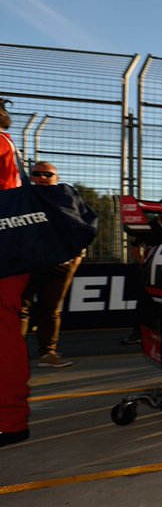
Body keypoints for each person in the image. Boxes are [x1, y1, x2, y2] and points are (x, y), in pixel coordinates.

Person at [20, 162, 84, 368]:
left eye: (48, 174)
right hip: (27, 262)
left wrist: (78, 255)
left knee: (50, 309)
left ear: (56, 177)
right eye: (37, 174)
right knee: (21, 308)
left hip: (60, 264)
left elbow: (84, 226)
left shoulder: (68, 198)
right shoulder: (21, 197)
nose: (42, 177)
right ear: (31, 177)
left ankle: (48, 353)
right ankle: (13, 355)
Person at [0, 99, 31, 447]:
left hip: (5, 255)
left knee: (4, 336)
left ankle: (9, 420)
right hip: (11, 252)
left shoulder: (1, 144)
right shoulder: (6, 142)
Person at [121, 199, 162, 345]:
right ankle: (137, 333)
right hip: (152, 269)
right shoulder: (149, 226)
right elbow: (135, 246)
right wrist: (141, 261)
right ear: (158, 211)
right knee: (145, 301)